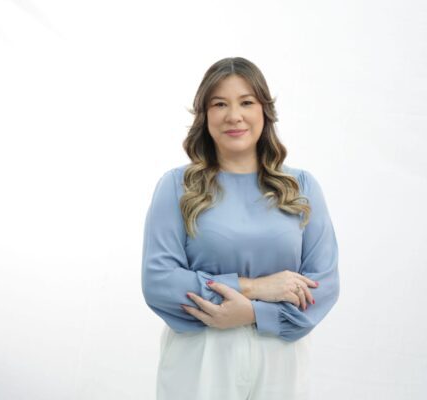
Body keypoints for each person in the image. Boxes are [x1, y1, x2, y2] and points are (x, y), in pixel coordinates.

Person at [141, 56, 340, 400]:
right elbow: (159, 282)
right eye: (220, 104)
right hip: (202, 354)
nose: (234, 116)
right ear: (205, 115)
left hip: (279, 355)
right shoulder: (177, 186)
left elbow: (323, 284)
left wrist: (252, 314)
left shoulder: (301, 187)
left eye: (246, 102)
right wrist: (255, 287)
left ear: (264, 110)